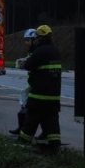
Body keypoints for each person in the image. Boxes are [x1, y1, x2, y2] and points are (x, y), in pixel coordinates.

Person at [18, 24, 62, 153]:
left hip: (39, 95)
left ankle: (23, 142)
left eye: (36, 38)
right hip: (54, 97)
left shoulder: (39, 51)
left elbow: (29, 65)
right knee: (52, 121)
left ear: (39, 38)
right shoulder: (55, 51)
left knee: (31, 119)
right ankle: (55, 144)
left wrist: (24, 62)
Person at [10, 28, 37, 135]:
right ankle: (21, 128)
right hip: (33, 82)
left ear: (34, 40)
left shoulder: (36, 50)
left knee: (26, 104)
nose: (26, 42)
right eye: (25, 40)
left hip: (36, 84)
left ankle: (23, 130)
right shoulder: (33, 50)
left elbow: (31, 63)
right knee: (24, 99)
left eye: (28, 40)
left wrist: (24, 63)